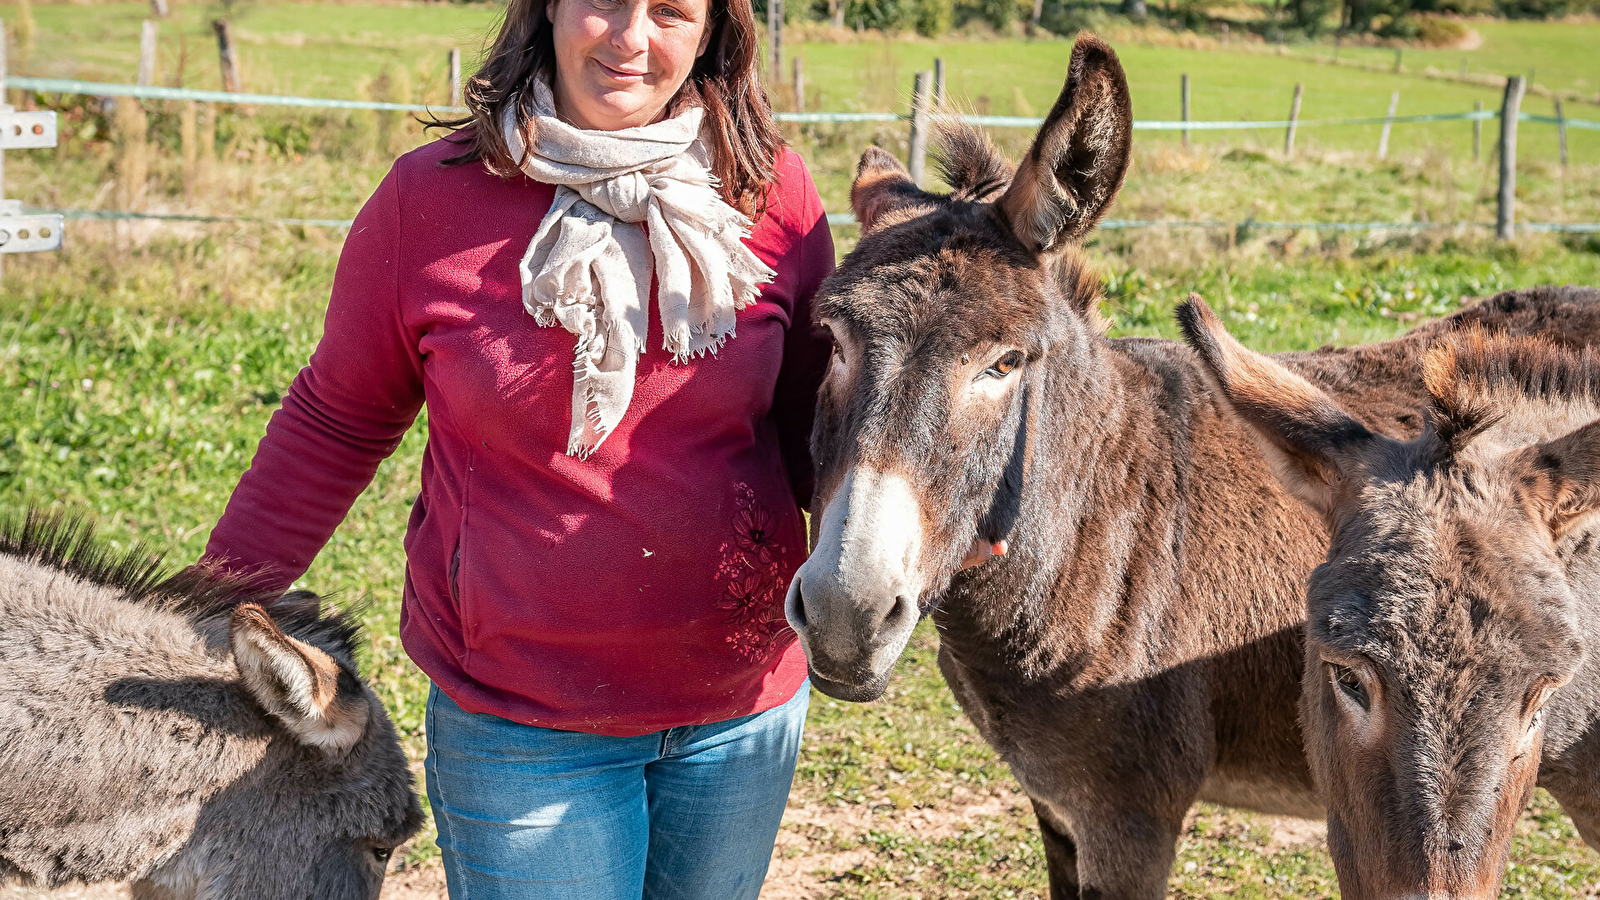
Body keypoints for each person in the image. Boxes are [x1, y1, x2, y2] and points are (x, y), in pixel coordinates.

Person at [200, 0, 835, 895]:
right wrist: (211, 603)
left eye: (670, 11)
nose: (630, 37)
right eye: (604, 2)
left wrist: (950, 537)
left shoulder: (775, 196)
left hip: (740, 710)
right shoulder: (428, 202)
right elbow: (336, 419)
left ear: (712, 33)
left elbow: (819, 424)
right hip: (521, 725)